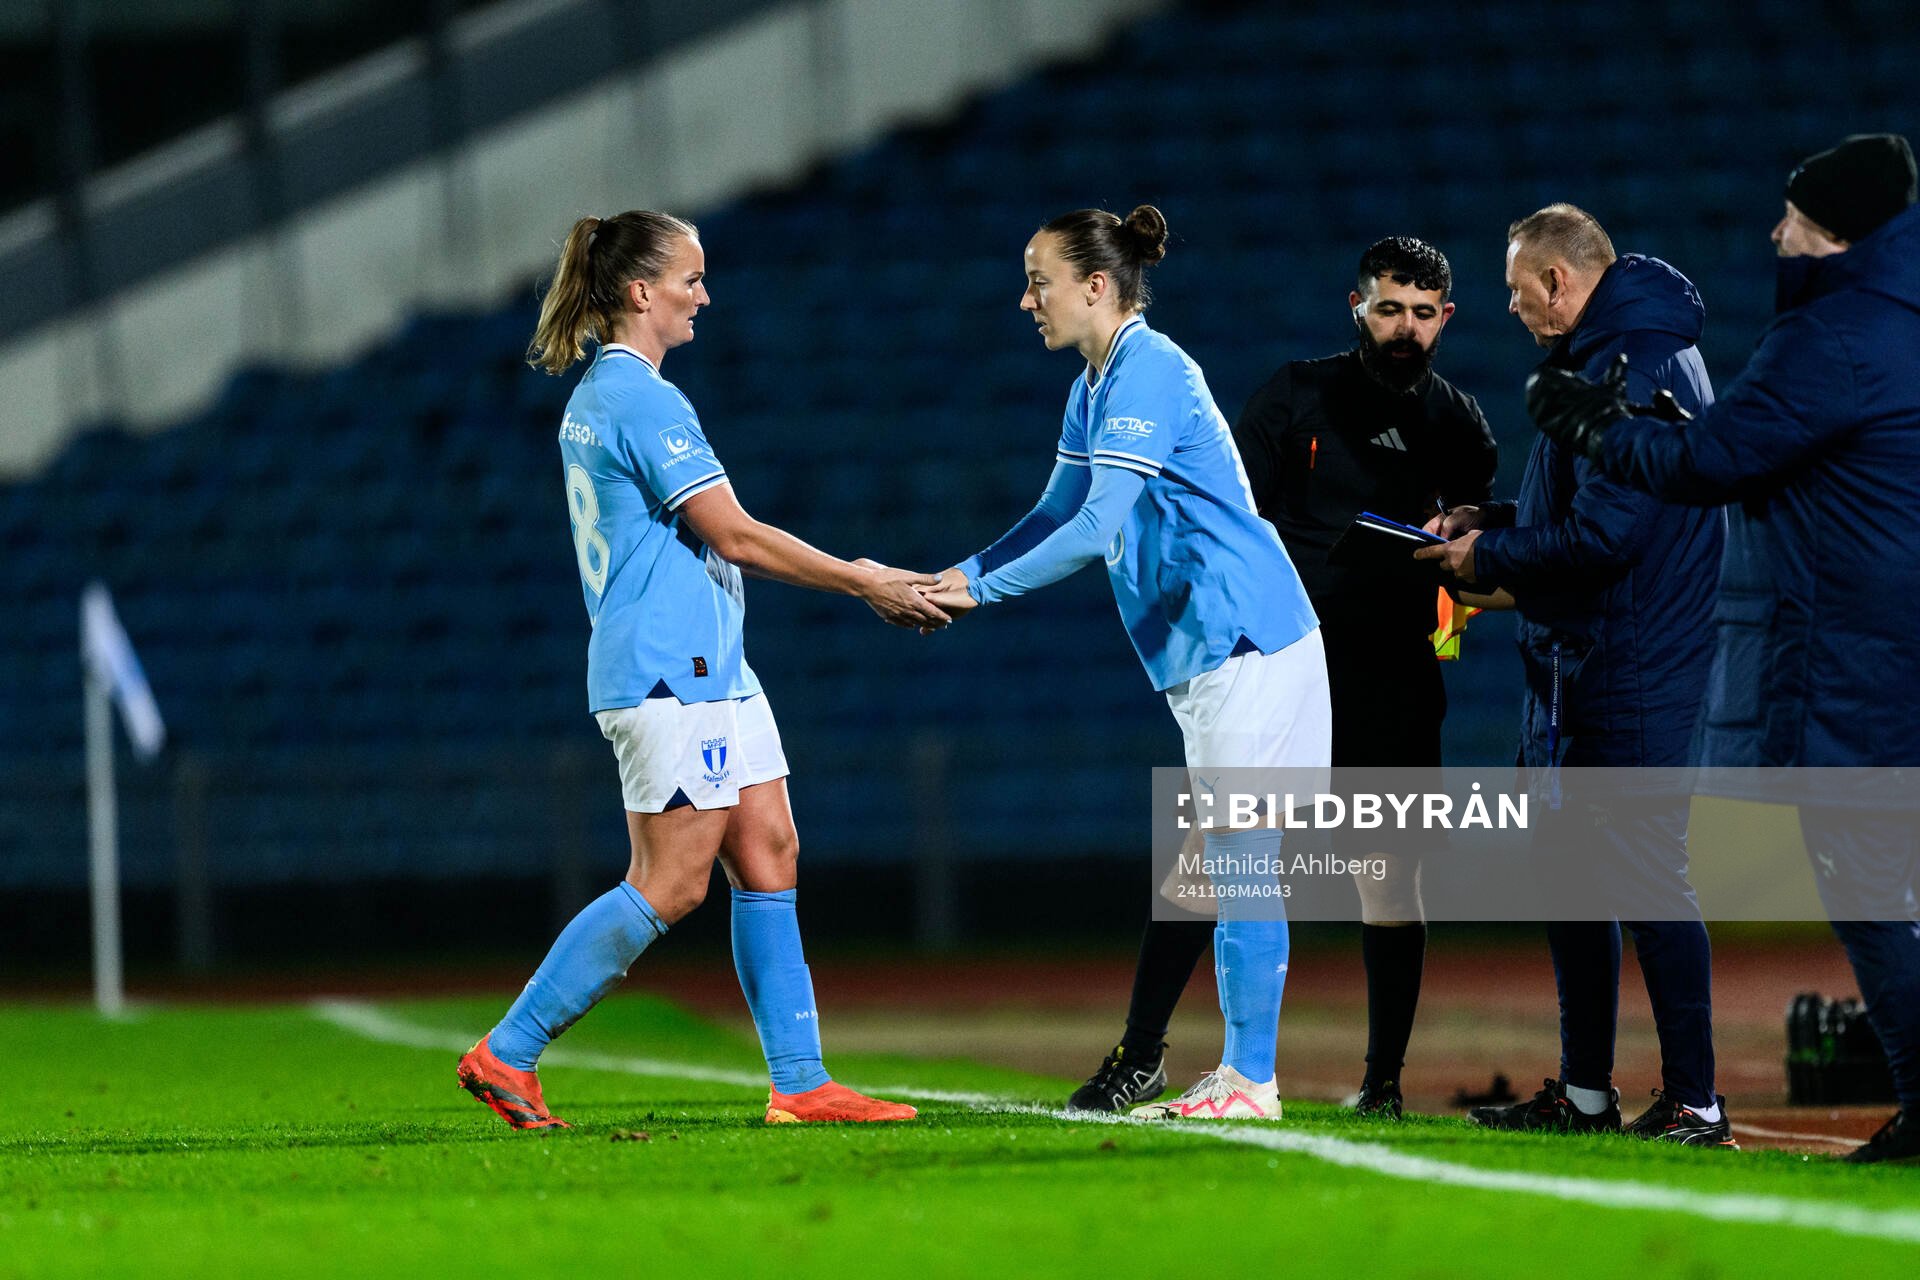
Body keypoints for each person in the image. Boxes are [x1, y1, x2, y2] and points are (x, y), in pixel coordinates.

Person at [455, 209, 945, 1130]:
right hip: (665, 672)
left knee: (769, 850)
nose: (703, 296)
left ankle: (800, 1083)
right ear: (642, 292)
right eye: (690, 279)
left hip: (715, 668)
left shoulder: (611, 397)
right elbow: (735, 535)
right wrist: (863, 578)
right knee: (672, 881)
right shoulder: (639, 398)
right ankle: (508, 1051)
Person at [1526, 134, 1920, 1165]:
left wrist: (1602, 431)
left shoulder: (1832, 336)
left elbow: (1711, 459)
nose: (1774, 232)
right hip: (1885, 637)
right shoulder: (1894, 326)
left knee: (1867, 883)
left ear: (1835, 233)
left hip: (1852, 650)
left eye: (1792, 217)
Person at [1061, 237, 1498, 1119]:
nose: (1404, 328)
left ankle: (1381, 1087)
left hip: (1392, 665)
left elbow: (1470, 557)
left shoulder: (1461, 426)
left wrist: (1459, 566)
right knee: (1211, 856)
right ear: (1356, 305)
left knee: (1388, 869)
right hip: (1287, 652)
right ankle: (1138, 1054)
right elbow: (1224, 513)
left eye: (1422, 313)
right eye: (1388, 308)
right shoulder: (1294, 395)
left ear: (1446, 317)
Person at [920, 205, 1332, 1120]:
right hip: (1217, 647)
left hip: (1244, 639)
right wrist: (957, 574)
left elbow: (1097, 527)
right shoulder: (1096, 384)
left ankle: (1251, 1081)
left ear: (1097, 286)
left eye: (1040, 280)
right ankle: (1223, 1071)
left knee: (1239, 863)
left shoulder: (1148, 370)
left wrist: (981, 597)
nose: (1026, 299)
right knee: (1225, 863)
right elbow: (1049, 512)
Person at [1416, 204, 1733, 1146]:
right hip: (1581, 659)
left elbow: (1609, 536)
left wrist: (1491, 559)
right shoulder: (1611, 353)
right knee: (1567, 875)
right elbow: (1584, 502)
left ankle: (1696, 1101)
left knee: (1644, 876)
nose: (1514, 310)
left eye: (1519, 294)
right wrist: (1493, 516)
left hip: (1631, 660)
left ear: (1558, 281)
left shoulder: (1631, 362)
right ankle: (1588, 1092)